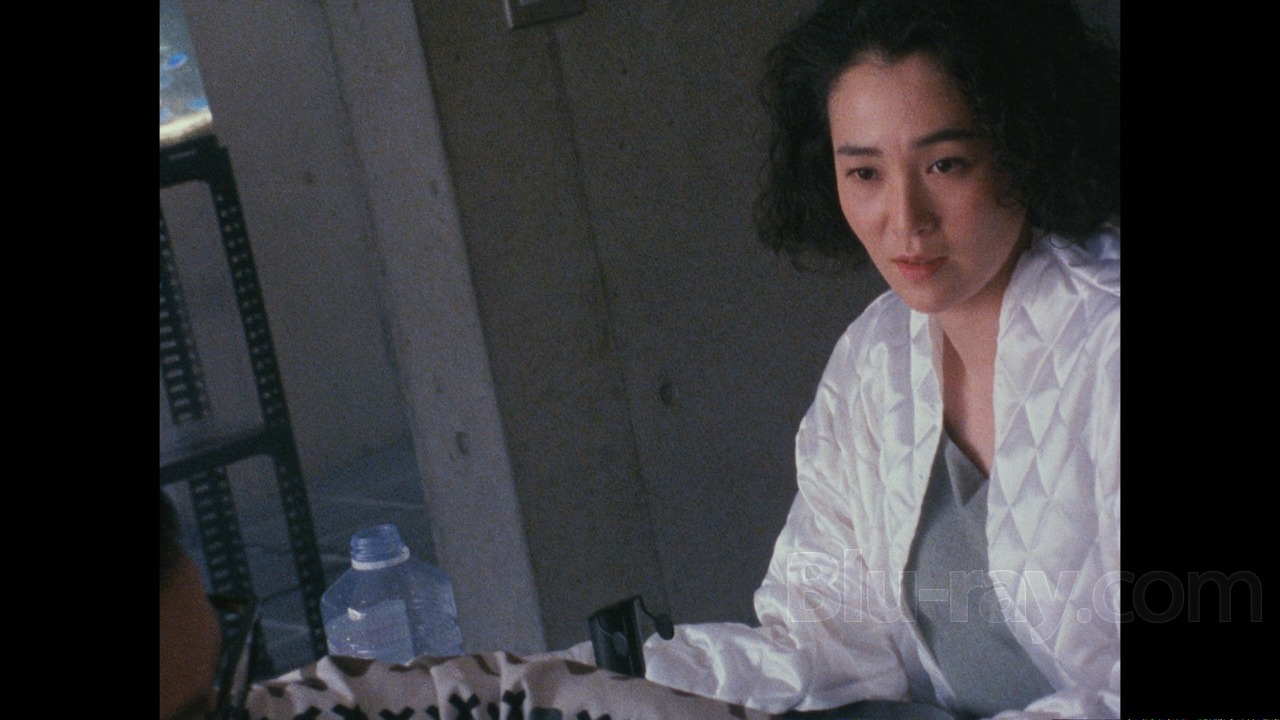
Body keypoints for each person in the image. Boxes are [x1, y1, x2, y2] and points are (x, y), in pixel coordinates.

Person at [639, 1, 1120, 718]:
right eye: (864, 173)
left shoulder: (1109, 346)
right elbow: (821, 643)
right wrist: (608, 682)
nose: (905, 219)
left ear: (1026, 146)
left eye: (945, 164)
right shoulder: (874, 362)